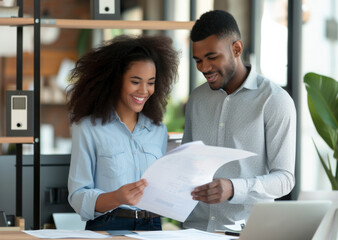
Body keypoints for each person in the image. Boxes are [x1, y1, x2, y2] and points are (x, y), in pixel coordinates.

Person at [182, 10, 297, 232]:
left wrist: (234, 188)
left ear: (236, 49)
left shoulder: (274, 100)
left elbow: (284, 179)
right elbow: (188, 162)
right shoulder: (197, 98)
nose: (204, 68)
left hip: (247, 232)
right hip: (195, 231)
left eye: (212, 57)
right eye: (198, 60)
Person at [67, 35, 179, 231]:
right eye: (135, 81)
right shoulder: (88, 128)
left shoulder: (158, 130)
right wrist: (116, 197)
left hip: (152, 226)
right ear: (116, 80)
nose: (144, 90)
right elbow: (77, 196)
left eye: (150, 82)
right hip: (108, 225)